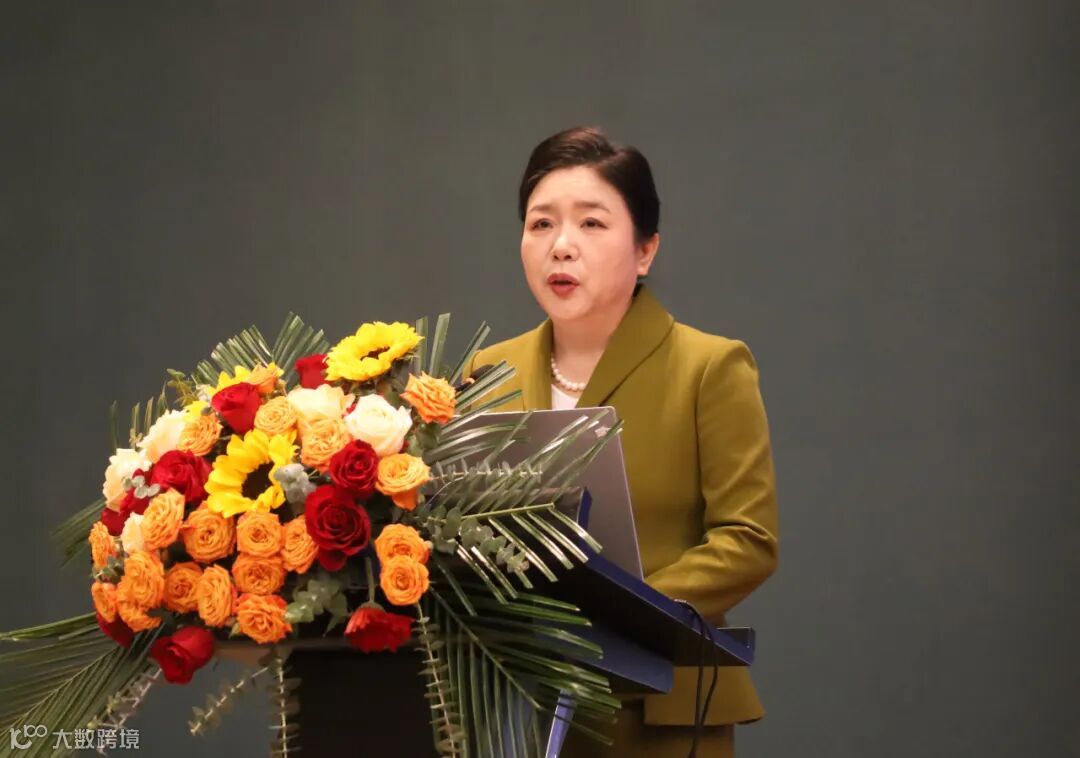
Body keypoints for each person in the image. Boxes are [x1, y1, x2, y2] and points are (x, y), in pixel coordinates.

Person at [462, 126, 779, 757]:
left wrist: (622, 613)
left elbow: (748, 540)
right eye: (541, 223)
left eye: (591, 223)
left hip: (660, 710)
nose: (561, 246)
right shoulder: (486, 373)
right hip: (518, 709)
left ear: (645, 250)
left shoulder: (709, 366)